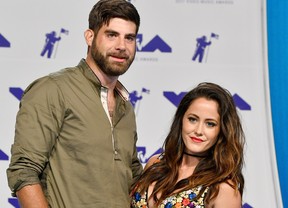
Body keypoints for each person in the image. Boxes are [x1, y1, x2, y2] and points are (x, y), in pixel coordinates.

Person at [6, 0, 143, 207]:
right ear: (90, 36)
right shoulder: (53, 89)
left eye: (129, 38)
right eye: (111, 35)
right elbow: (23, 171)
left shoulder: (126, 107)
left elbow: (131, 177)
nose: (121, 46)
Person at [131, 82, 245, 208]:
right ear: (181, 120)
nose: (198, 130)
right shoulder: (155, 164)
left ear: (222, 131)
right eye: (193, 119)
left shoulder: (223, 189)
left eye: (210, 124)